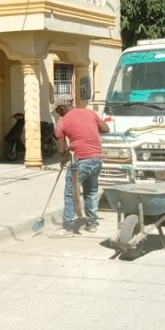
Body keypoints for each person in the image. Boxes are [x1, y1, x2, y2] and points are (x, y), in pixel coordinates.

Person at [50, 96, 109, 238]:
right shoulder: (89, 113)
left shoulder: (62, 121)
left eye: (58, 111)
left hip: (81, 161)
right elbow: (105, 129)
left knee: (70, 194)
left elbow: (61, 149)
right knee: (91, 192)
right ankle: (92, 224)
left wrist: (64, 158)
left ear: (62, 108)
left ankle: (68, 228)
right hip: (97, 159)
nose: (57, 114)